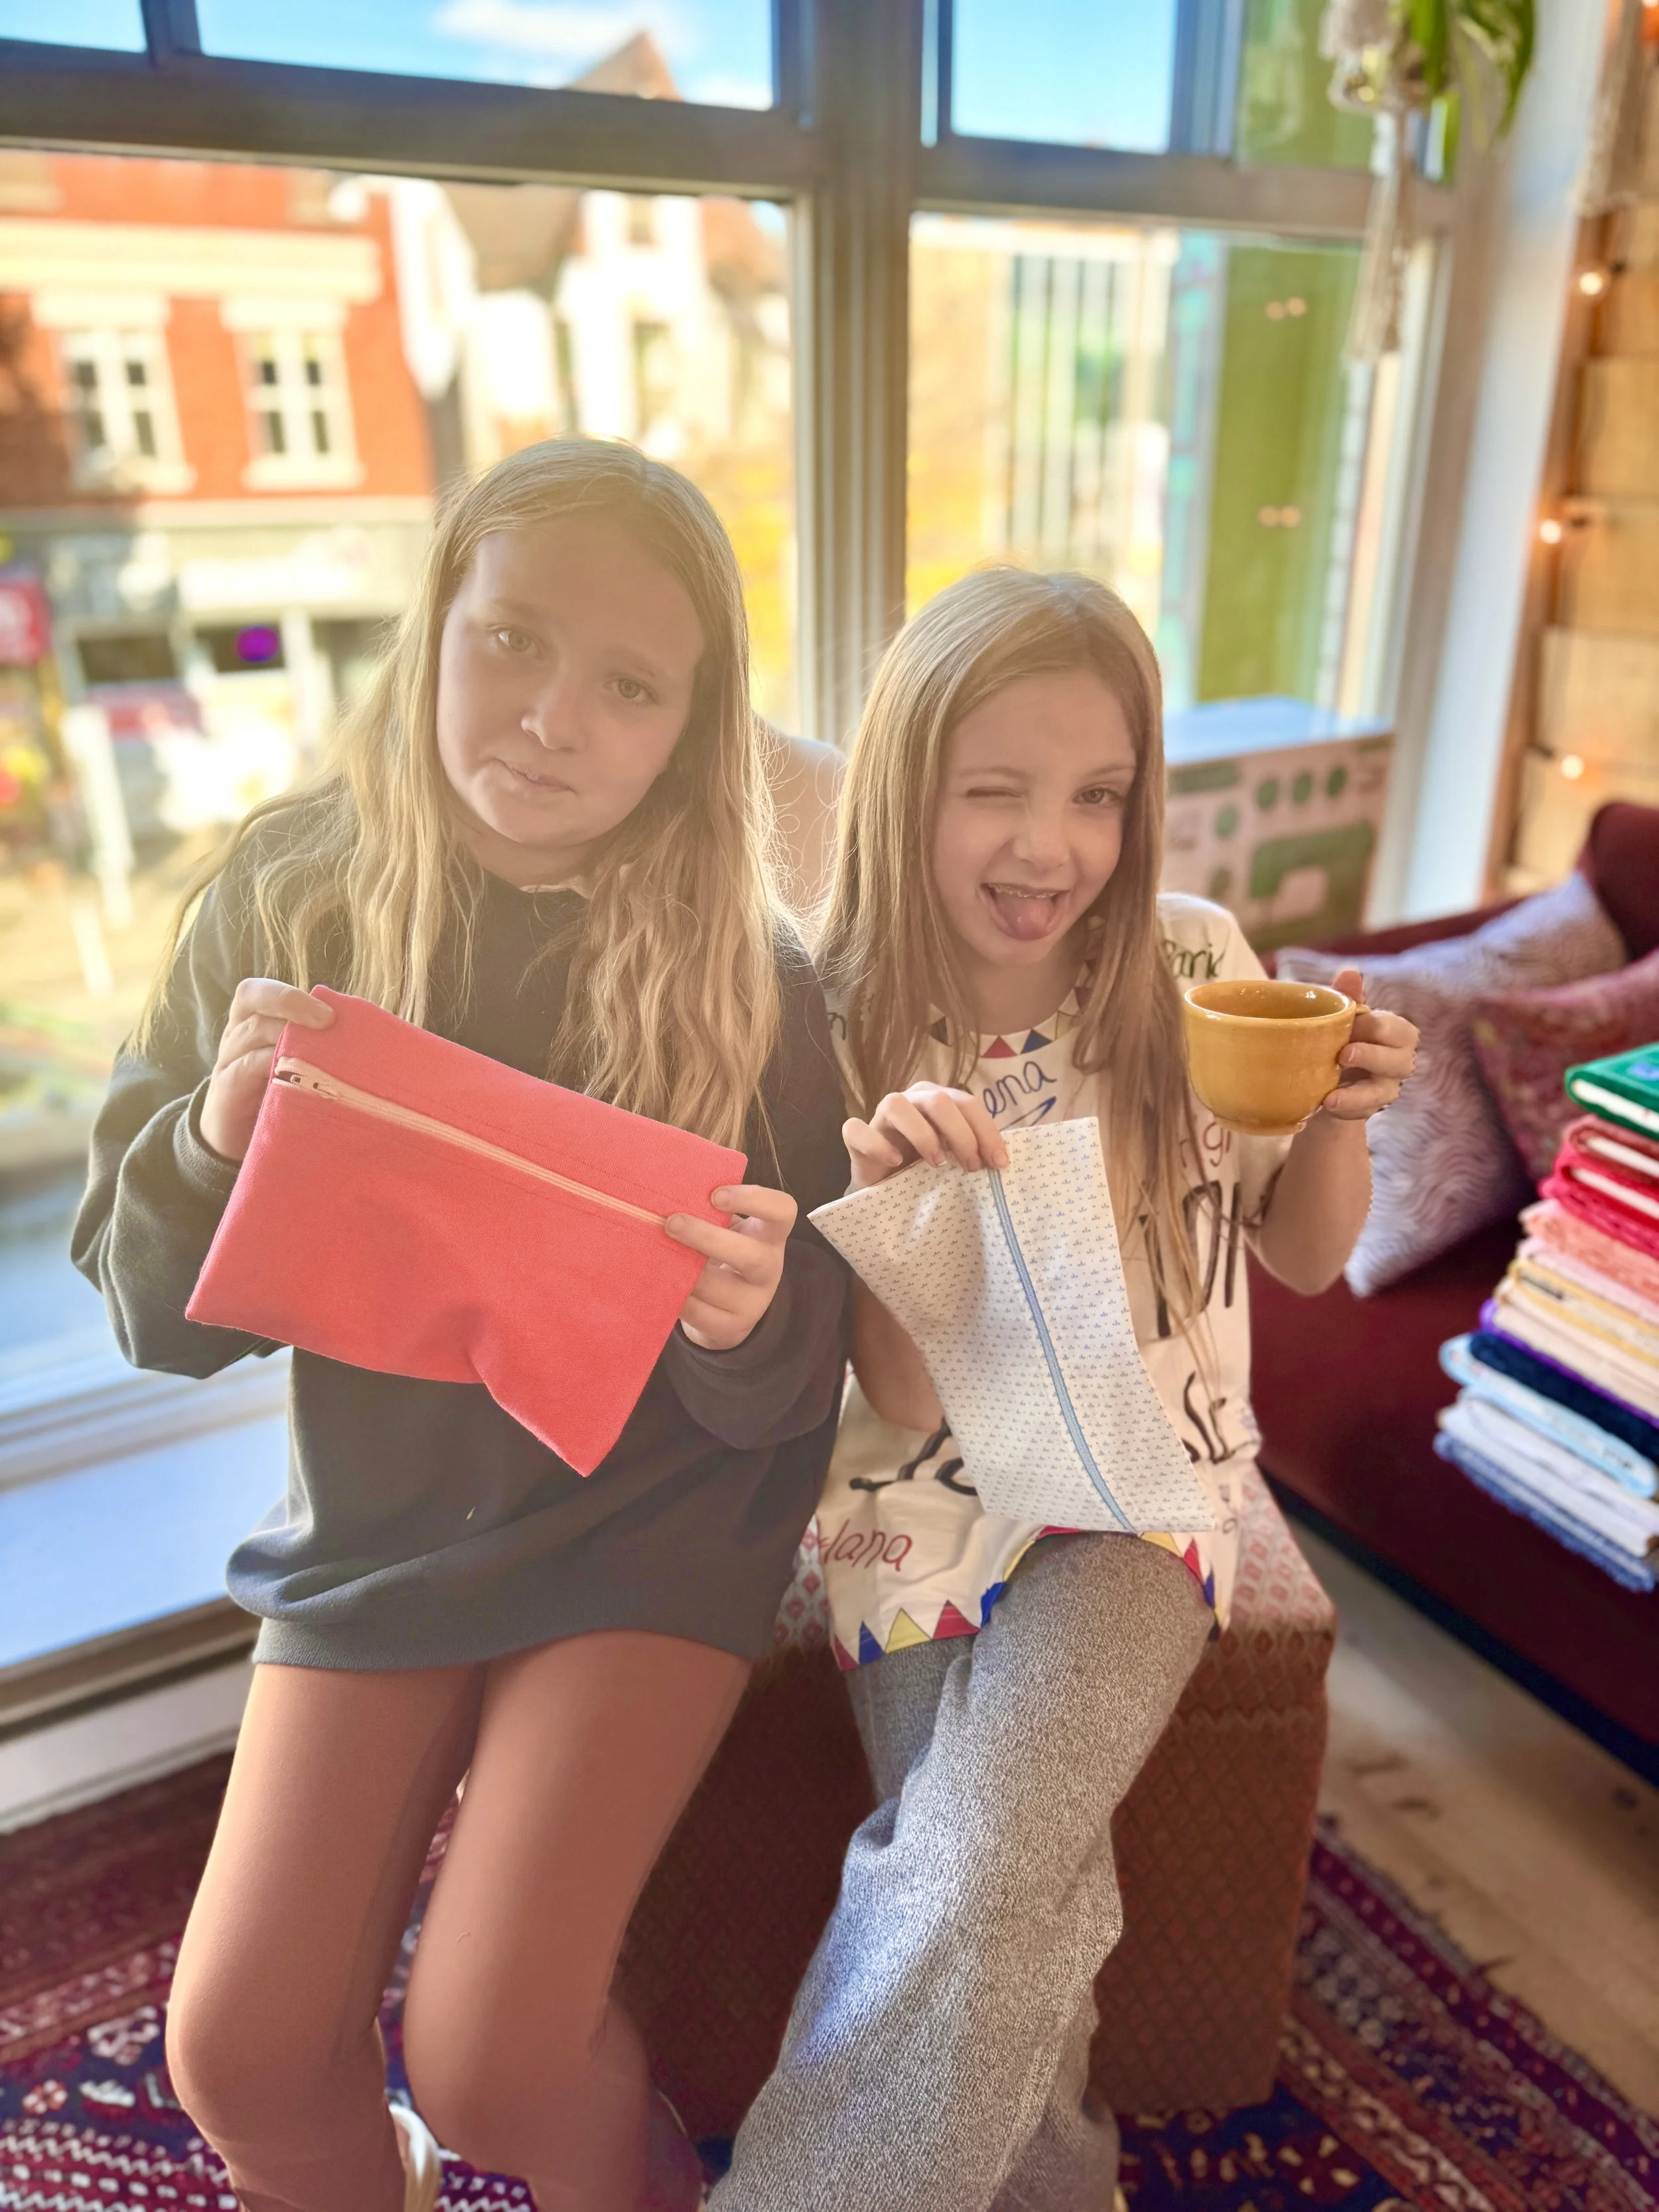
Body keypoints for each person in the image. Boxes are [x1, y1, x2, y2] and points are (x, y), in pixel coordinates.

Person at [73, 439, 849, 2212]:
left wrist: (744, 1313)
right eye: (508, 642)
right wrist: (207, 1137)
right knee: (243, 2054)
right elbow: (148, 1308)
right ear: (432, 626)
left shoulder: (754, 974)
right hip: (383, 1530)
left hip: (649, 1530)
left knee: (496, 2050)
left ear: (687, 727)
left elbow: (802, 1366)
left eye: (627, 685)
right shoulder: (288, 903)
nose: (551, 721)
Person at [711, 567, 1418, 2212]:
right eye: (994, 793)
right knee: (1021, 1895)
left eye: (1096, 795)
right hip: (910, 1515)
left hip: (1134, 1492)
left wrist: (1337, 1118)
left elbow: (1304, 1258)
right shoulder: (830, 1012)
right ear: (906, 790)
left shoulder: (1190, 966)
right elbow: (899, 1385)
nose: (1050, 847)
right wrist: (909, 1209)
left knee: (963, 1864)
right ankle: (1062, 2188)